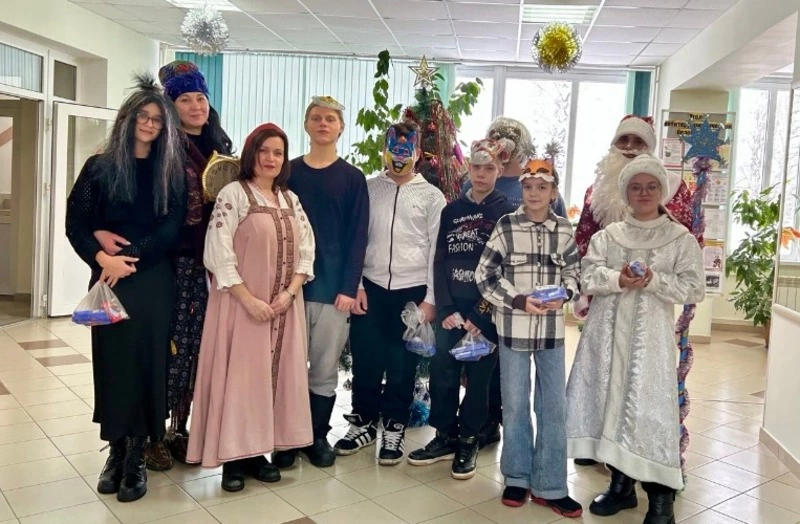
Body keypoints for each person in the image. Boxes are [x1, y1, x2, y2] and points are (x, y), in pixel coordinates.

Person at [93, 60, 234, 471]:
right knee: (162, 351)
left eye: (200, 98)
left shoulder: (220, 147)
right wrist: (101, 236)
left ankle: (178, 429)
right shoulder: (161, 150)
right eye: (185, 99)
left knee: (195, 351)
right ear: (169, 107)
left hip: (211, 266)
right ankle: (148, 435)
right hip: (167, 265)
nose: (195, 106)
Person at [65, 74, 187, 503]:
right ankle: (115, 452)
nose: (150, 124)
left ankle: (137, 455)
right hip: (107, 280)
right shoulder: (98, 167)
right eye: (143, 116)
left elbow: (170, 228)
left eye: (157, 119)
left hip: (152, 279)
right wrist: (102, 259)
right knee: (113, 365)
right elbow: (76, 223)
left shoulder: (170, 171)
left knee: (147, 364)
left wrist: (128, 258)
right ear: (128, 118)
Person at [566, 154, 705, 524]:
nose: (643, 193)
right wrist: (618, 279)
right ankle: (621, 487)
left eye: (651, 186)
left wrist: (654, 280)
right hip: (605, 337)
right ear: (625, 192)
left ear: (662, 191)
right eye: (636, 187)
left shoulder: (679, 238)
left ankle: (662, 502)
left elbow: (694, 287)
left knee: (650, 413)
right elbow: (587, 276)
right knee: (609, 405)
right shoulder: (608, 236)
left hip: (650, 343)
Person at [186, 123, 316, 492]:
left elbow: (307, 251)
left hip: (283, 308)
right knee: (240, 380)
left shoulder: (290, 199)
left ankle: (259, 452)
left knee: (271, 378)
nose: (270, 158)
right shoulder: (234, 194)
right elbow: (218, 252)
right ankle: (233, 457)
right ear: (250, 154)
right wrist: (249, 301)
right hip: (241, 306)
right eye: (263, 151)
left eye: (278, 152)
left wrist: (288, 295)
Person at [475, 158, 583, 519]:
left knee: (553, 407)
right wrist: (518, 300)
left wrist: (564, 295)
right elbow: (484, 275)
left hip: (551, 333)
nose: (534, 193)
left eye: (542, 187)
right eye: (528, 187)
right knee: (515, 404)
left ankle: (551, 485)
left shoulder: (563, 230)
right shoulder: (506, 226)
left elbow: (574, 273)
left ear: (553, 192)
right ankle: (517, 477)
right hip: (513, 329)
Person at [334, 122, 446, 466]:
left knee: (401, 363)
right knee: (366, 359)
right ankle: (364, 422)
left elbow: (436, 251)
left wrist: (430, 299)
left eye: (405, 151)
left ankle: (395, 424)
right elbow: (356, 240)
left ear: (417, 153)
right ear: (384, 151)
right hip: (370, 288)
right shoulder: (368, 189)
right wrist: (356, 284)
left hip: (411, 292)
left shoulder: (432, 197)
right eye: (393, 150)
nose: (399, 157)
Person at [407, 138, 515, 480]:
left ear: (499, 170)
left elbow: (507, 267)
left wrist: (481, 313)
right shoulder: (451, 211)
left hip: (485, 315)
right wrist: (446, 307)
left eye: (489, 168)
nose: (481, 174)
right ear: (468, 167)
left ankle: (469, 438)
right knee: (443, 374)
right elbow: (438, 261)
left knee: (479, 380)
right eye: (476, 167)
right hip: (451, 313)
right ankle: (445, 435)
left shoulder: (506, 213)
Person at [273, 96, 369, 469]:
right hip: (290, 291)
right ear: (306, 124)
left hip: (333, 292)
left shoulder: (352, 179)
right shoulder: (289, 173)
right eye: (316, 118)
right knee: (289, 367)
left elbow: (358, 236)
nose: (323, 124)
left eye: (330, 119)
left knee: (325, 369)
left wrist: (349, 286)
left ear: (341, 128)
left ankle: (315, 436)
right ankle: (287, 438)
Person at [461, 117, 566, 448]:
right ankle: (488, 421)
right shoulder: (475, 182)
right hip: (488, 291)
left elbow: (561, 240)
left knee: (529, 378)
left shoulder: (539, 185)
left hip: (534, 301)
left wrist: (561, 291)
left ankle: (517, 431)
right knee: (489, 366)